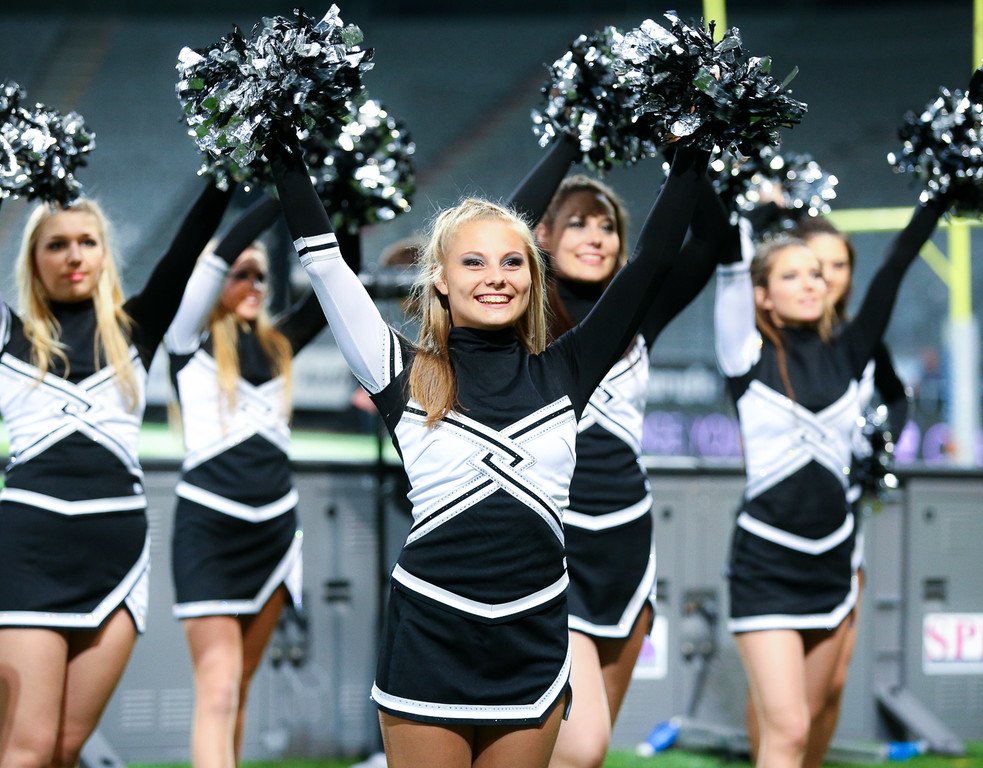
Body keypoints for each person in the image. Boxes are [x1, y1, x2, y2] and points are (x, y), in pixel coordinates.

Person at [269, 135, 710, 768]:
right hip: (431, 632)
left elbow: (653, 261)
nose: (496, 277)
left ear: (534, 276)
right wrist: (282, 145)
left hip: (534, 635)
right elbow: (325, 264)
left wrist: (692, 149)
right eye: (473, 262)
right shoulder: (401, 371)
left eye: (512, 262)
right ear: (440, 279)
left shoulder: (569, 368)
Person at [505, 142, 729, 768]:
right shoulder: (520, 311)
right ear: (543, 235)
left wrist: (687, 144)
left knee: (583, 755)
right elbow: (503, 225)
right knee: (582, 746)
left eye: (607, 226)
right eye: (578, 222)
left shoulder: (638, 311)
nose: (596, 237)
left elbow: (712, 241)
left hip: (628, 543)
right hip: (551, 543)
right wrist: (568, 141)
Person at [0, 183, 232, 767]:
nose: (74, 256)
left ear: (105, 254)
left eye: (87, 242)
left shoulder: (136, 330)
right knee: (25, 750)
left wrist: (232, 161)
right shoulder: (10, 338)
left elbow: (188, 244)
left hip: (118, 561)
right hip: (27, 559)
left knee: (64, 748)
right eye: (56, 245)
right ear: (33, 259)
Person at [714, 193, 947, 768]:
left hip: (834, 565)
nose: (810, 283)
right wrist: (752, 215)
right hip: (765, 566)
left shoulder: (851, 350)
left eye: (816, 274)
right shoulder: (744, 353)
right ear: (762, 295)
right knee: (788, 728)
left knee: (812, 723)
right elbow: (729, 268)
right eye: (791, 275)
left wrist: (938, 196)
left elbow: (894, 268)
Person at [163, 196, 331, 768]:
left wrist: (341, 202)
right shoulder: (185, 339)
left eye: (261, 275)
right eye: (242, 274)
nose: (254, 284)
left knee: (237, 693)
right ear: (216, 280)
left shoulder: (279, 345)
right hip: (209, 532)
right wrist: (279, 188)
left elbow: (340, 279)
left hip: (276, 534)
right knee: (217, 690)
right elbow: (220, 255)